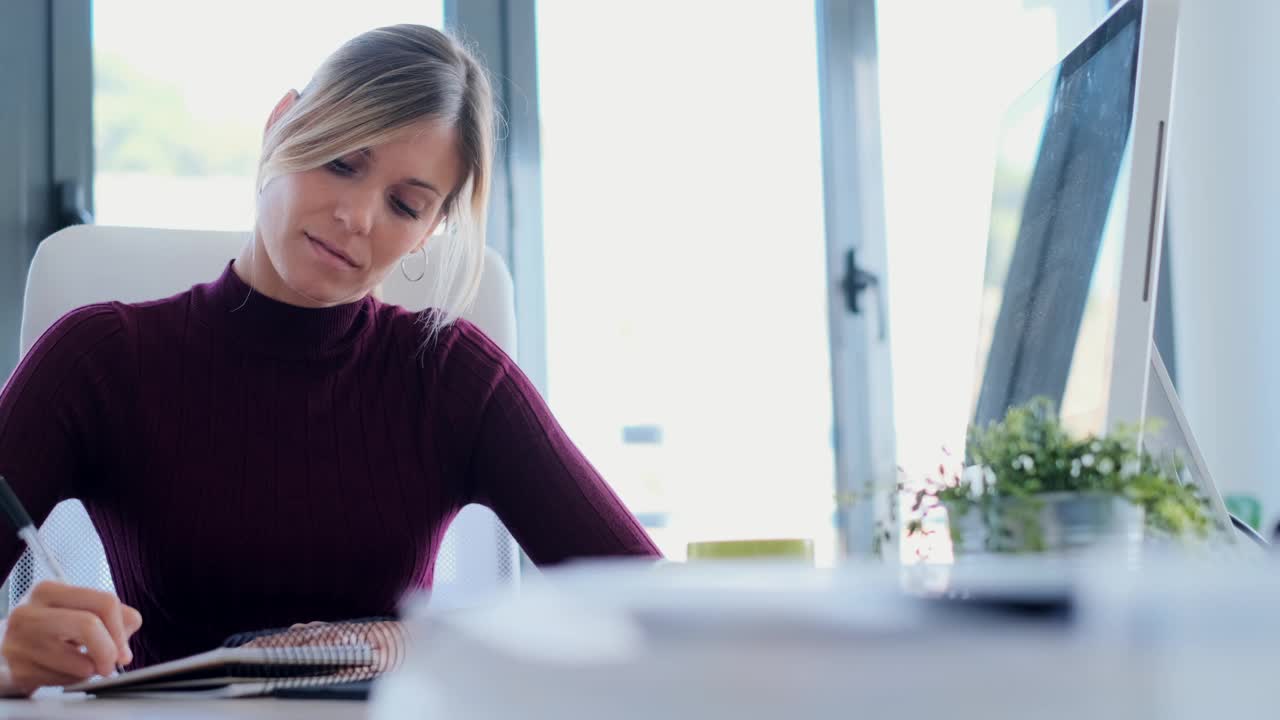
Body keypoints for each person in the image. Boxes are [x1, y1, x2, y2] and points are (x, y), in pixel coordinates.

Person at [0, 24, 660, 695]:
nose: (356, 216)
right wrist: (4, 662)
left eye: (405, 205)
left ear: (429, 230)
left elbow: (665, 621)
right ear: (281, 126)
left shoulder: (454, 377)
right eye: (342, 162)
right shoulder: (98, 361)